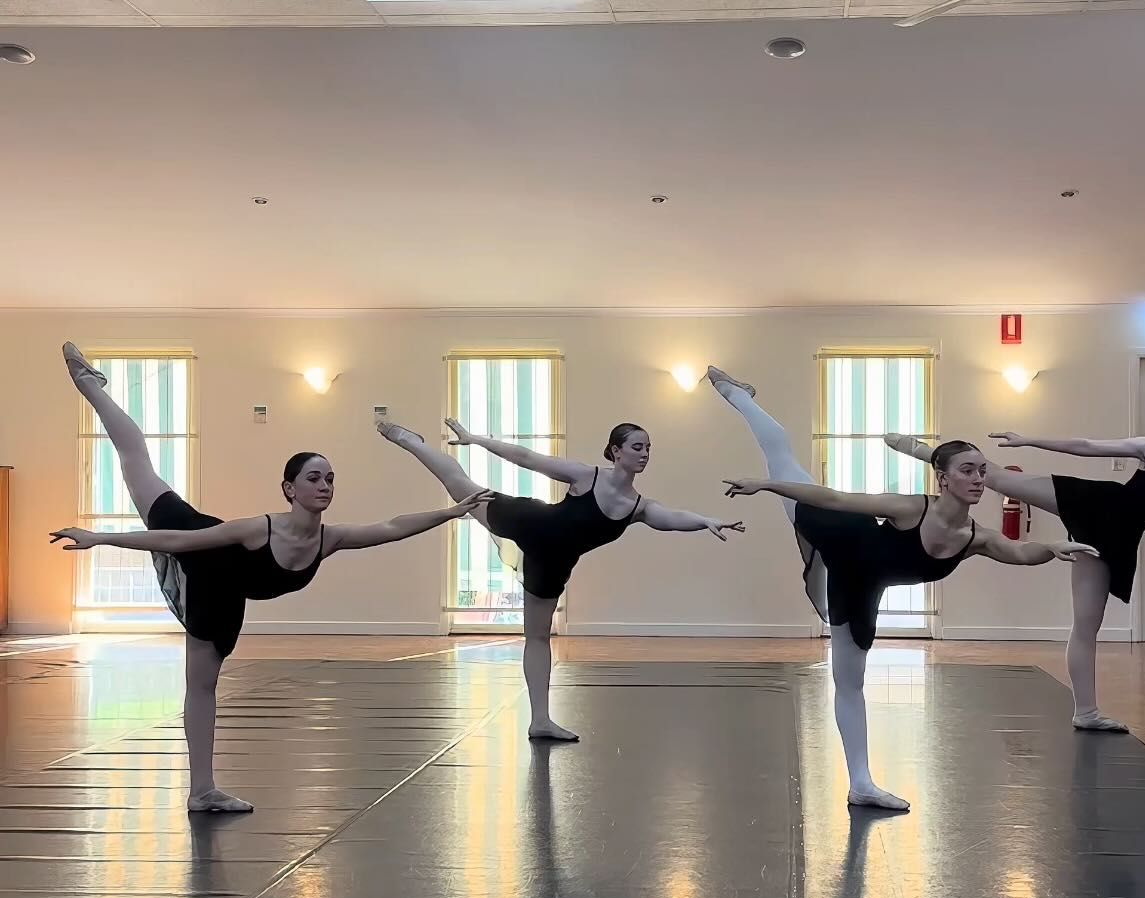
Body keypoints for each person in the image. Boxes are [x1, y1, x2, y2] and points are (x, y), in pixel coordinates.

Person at [53, 344, 488, 813]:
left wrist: (451, 512)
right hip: (202, 557)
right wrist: (99, 538)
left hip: (228, 594)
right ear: (290, 489)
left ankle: (203, 792)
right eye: (314, 478)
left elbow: (391, 527)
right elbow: (177, 542)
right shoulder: (257, 528)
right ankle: (89, 386)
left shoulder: (329, 539)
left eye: (330, 479)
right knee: (136, 458)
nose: (324, 486)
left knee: (207, 683)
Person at [708, 366, 1095, 811]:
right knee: (779, 449)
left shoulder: (977, 538)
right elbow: (836, 499)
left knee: (849, 680)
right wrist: (766, 485)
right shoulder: (911, 508)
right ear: (942, 478)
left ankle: (861, 784)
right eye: (967, 470)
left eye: (982, 471)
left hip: (860, 585)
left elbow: (1022, 553)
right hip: (838, 529)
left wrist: (1054, 546)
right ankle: (739, 394)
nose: (977, 478)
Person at [890, 394, 1145, 733]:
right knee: (993, 477)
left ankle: (1086, 712)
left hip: (1113, 539)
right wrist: (1029, 439)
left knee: (1087, 624)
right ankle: (923, 451)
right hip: (1094, 501)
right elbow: (1087, 445)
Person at [377, 413, 744, 743]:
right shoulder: (587, 475)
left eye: (648, 448)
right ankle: (410, 440)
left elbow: (671, 517)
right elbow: (528, 459)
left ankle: (541, 720)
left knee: (537, 637)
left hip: (552, 565)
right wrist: (476, 439)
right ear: (616, 452)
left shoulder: (638, 506)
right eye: (637, 446)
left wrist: (704, 521)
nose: (644, 453)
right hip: (528, 521)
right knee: (458, 483)